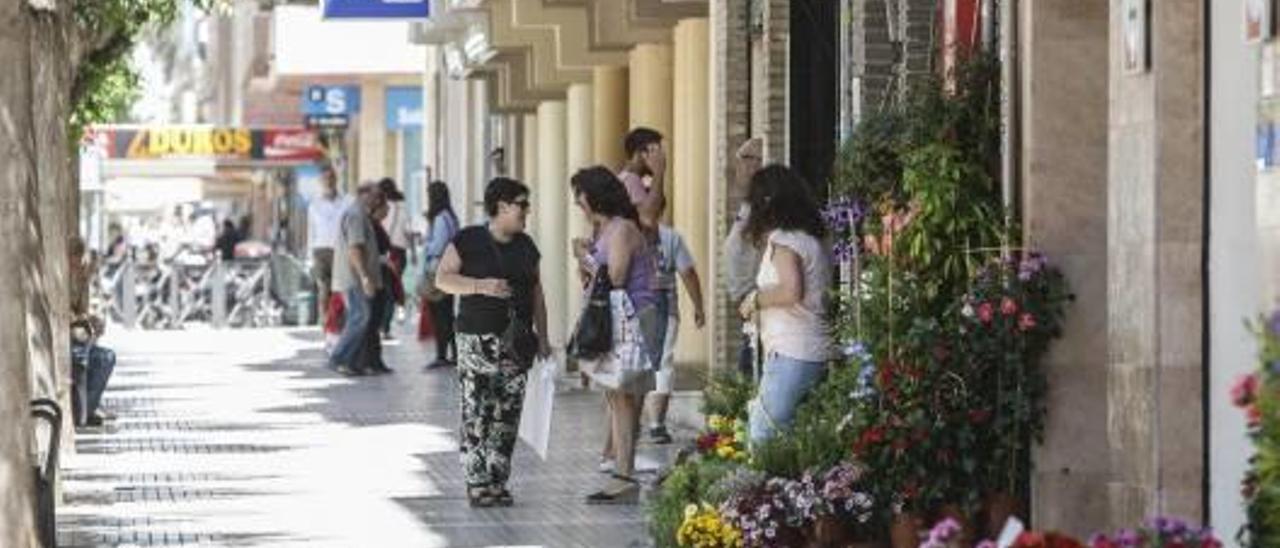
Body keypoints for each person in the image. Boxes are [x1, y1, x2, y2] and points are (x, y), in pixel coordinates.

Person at [435, 177, 550, 508]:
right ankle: (476, 481)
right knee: (477, 411)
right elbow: (442, 278)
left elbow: (537, 293)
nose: (527, 211)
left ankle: (498, 480)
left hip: (517, 343)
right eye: (521, 204)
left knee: (508, 413)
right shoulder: (468, 240)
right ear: (501, 206)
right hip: (476, 339)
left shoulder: (527, 246)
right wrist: (480, 286)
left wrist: (543, 337)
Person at [571, 166, 661, 505]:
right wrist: (585, 260)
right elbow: (593, 283)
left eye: (580, 195)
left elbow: (618, 276)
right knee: (616, 397)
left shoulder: (622, 228)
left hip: (634, 318)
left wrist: (585, 257)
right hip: (617, 320)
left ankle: (625, 475)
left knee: (624, 395)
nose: (578, 203)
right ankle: (623, 473)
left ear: (595, 195)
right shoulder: (604, 230)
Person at [738, 165, 832, 445]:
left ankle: (765, 489)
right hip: (809, 348)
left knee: (764, 432)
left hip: (792, 350)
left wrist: (754, 300)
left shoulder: (785, 241)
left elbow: (791, 291)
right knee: (792, 436)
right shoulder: (810, 239)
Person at [645, 224, 705, 444]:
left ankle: (635, 423)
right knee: (662, 363)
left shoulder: (623, 232)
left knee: (639, 364)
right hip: (663, 308)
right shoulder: (670, 237)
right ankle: (656, 424)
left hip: (632, 310)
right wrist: (698, 306)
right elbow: (687, 272)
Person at [329, 183, 388, 376]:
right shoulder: (356, 215)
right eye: (374, 195)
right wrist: (364, 277)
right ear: (363, 195)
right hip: (353, 278)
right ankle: (339, 357)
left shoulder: (358, 214)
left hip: (353, 277)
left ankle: (351, 361)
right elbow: (355, 249)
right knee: (359, 317)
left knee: (360, 317)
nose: (377, 200)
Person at [722, 138, 766, 378]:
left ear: (756, 164)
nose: (737, 169)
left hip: (757, 299)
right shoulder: (748, 204)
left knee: (750, 368)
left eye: (742, 160)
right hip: (746, 301)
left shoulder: (762, 205)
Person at [68, 236, 116, 427]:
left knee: (106, 357)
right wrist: (82, 319)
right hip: (66, 340)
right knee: (85, 358)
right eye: (76, 259)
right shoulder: (62, 279)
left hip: (78, 338)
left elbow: (82, 311)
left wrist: (92, 321)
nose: (80, 264)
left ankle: (87, 409)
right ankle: (82, 412)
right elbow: (67, 313)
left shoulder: (81, 280)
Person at [422, 181, 460, 369]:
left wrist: (426, 245)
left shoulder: (439, 219)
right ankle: (454, 353)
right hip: (451, 269)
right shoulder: (451, 217)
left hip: (438, 269)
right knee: (447, 313)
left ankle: (441, 355)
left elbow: (437, 246)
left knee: (439, 314)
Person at [308, 163, 348, 330]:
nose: (329, 181)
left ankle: (339, 322)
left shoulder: (345, 202)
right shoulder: (314, 205)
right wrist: (309, 257)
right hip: (320, 250)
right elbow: (311, 232)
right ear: (321, 182)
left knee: (340, 288)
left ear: (336, 180)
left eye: (332, 178)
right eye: (325, 178)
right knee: (324, 289)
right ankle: (326, 322)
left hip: (340, 250)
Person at [617, 127, 668, 231]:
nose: (660, 157)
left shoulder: (624, 178)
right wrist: (659, 171)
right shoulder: (631, 180)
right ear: (640, 153)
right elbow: (648, 218)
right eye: (655, 151)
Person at [378, 178, 410, 338]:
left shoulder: (380, 207)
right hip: (399, 252)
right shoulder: (402, 207)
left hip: (383, 252)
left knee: (385, 291)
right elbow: (408, 230)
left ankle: (382, 326)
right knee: (393, 290)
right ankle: (386, 327)